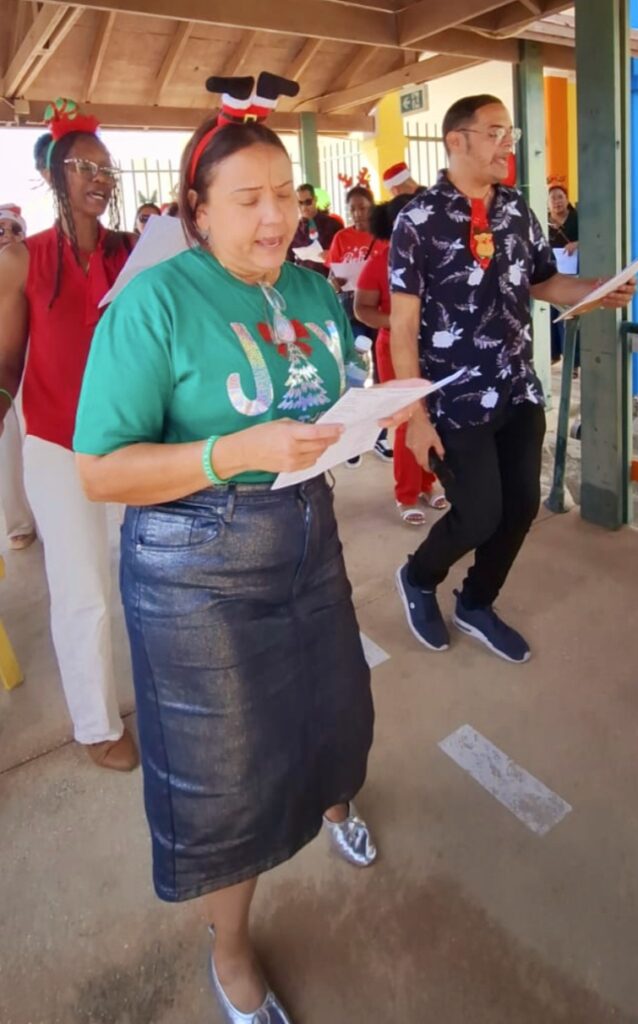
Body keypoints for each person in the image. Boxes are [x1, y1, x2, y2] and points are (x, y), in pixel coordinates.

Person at [73, 71, 411, 1024]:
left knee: (337, 709)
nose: (276, 218)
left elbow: (326, 400)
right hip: (195, 568)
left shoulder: (311, 288)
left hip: (307, 535)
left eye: (288, 196)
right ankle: (230, 948)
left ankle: (332, 802)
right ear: (197, 210)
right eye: (249, 200)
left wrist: (369, 417)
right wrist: (233, 452)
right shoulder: (155, 304)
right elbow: (101, 470)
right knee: (227, 772)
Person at [390, 93, 635, 664]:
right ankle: (418, 576)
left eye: (511, 133)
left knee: (521, 506)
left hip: (518, 387)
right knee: (478, 514)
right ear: (456, 141)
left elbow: (543, 282)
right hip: (454, 399)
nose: (508, 145)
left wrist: (597, 290)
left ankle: (476, 602)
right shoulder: (416, 220)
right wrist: (414, 418)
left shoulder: (517, 210)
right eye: (496, 132)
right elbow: (401, 328)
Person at [0, 97, 139, 771]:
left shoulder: (132, 252)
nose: (99, 178)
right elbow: (7, 361)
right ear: (55, 175)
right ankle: (95, 725)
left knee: (147, 575)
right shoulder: (21, 260)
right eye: (85, 166)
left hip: (131, 440)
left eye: (106, 168)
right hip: (56, 445)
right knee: (83, 589)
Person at [355, 195, 447, 524]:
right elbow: (362, 309)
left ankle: (427, 482)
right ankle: (406, 493)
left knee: (431, 415)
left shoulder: (435, 258)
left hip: (431, 349)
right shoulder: (379, 262)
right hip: (394, 347)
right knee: (408, 418)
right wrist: (399, 323)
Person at [327, 185, 392, 466]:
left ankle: (378, 435)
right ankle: (350, 438)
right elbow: (333, 273)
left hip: (380, 311)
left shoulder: (383, 237)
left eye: (362, 207)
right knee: (354, 373)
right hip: (351, 311)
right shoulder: (341, 237)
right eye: (352, 208)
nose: (357, 213)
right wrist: (335, 281)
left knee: (381, 377)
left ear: (372, 207)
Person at [0, 205, 36, 551]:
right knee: (6, 451)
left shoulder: (28, 267)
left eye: (16, 230)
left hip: (29, 366)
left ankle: (46, 515)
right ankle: (19, 523)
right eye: (0, 230)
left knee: (34, 444)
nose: (8, 236)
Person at [548, 184, 580, 371]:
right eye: (553, 198)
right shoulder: (544, 221)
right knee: (551, 316)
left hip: (575, 274)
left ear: (567, 199)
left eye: (560, 197)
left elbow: (593, 238)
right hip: (551, 275)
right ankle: (553, 354)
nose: (557, 201)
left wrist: (577, 244)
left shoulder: (577, 219)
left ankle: (573, 362)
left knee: (570, 316)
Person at [288, 182, 341, 276]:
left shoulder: (333, 224)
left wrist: (332, 254)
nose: (304, 207)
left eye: (308, 202)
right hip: (303, 279)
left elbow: (345, 253)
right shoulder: (293, 229)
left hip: (328, 278)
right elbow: (288, 261)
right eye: (300, 203)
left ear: (315, 199)